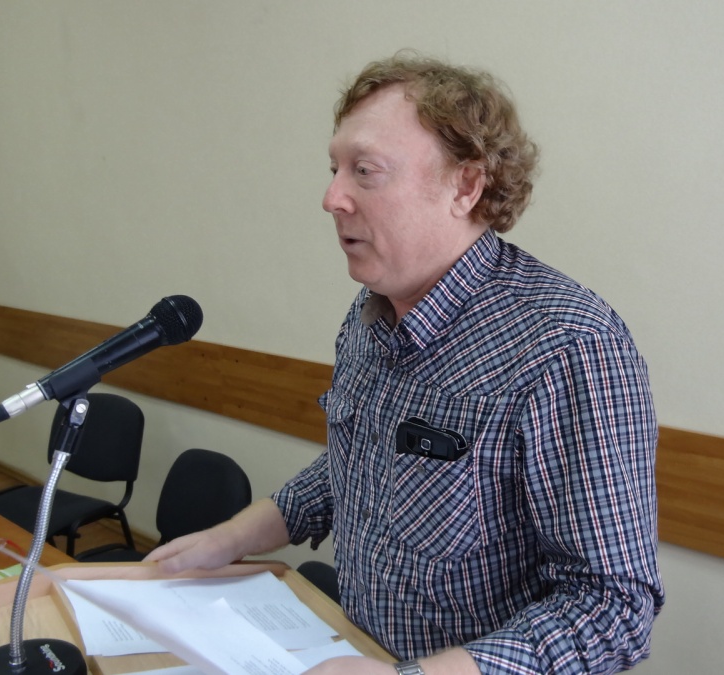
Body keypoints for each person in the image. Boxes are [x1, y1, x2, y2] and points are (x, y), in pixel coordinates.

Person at [148, 52, 663, 674]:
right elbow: (360, 466)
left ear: (465, 187)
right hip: (359, 649)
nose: (331, 198)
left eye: (365, 171)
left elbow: (612, 609)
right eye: (334, 169)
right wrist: (231, 538)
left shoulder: (569, 346)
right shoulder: (369, 316)